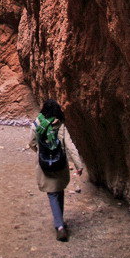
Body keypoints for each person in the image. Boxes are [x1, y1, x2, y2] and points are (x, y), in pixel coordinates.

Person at [29, 99, 83, 241]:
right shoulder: (60, 125)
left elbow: (32, 143)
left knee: (52, 194)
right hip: (59, 163)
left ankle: (59, 226)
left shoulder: (36, 124)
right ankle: (60, 222)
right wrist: (79, 165)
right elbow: (69, 145)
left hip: (45, 165)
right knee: (59, 191)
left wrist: (41, 153)